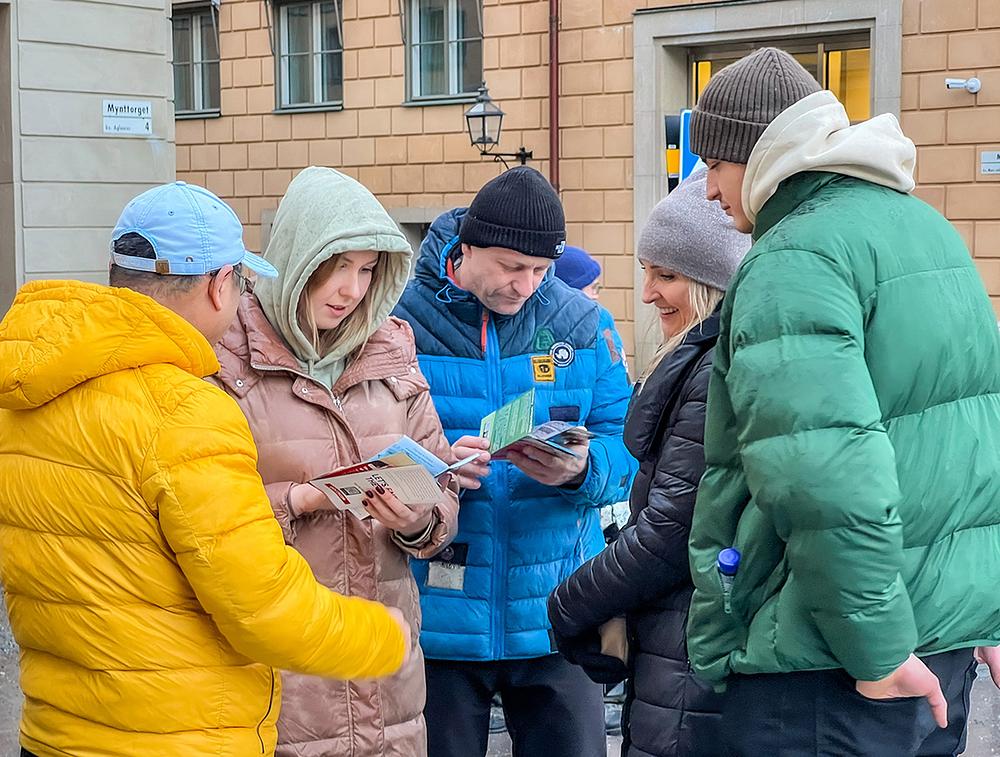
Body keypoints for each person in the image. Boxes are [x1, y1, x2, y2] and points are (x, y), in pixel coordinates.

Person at [0, 182, 409, 757]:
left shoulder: (30, 394)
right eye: (241, 282)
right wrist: (382, 636)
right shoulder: (183, 412)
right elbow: (263, 610)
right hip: (176, 735)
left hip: (56, 731)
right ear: (221, 286)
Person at [686, 47, 1000, 756]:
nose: (707, 189)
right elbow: (975, 446)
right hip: (932, 646)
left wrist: (877, 649)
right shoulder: (928, 231)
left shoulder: (796, 254)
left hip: (835, 668)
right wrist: (982, 616)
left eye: (713, 163)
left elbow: (821, 479)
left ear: (758, 151)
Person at [211, 166, 460, 757]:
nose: (352, 289)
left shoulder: (393, 350)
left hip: (388, 674)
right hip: (284, 672)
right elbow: (199, 518)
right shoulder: (224, 361)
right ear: (298, 257)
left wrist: (417, 521)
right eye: (337, 266)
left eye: (368, 269)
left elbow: (440, 484)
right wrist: (298, 500)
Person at [393, 166, 637, 757]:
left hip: (557, 617)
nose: (525, 284)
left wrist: (584, 472)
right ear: (465, 248)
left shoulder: (583, 323)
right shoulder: (399, 321)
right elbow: (362, 448)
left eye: (539, 270)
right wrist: (436, 470)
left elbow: (628, 446)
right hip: (438, 620)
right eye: (508, 266)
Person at [548, 169, 750, 756]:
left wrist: (571, 603)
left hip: (691, 640)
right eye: (646, 273)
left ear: (712, 283)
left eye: (666, 276)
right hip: (679, 636)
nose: (646, 293)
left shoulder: (712, 370)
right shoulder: (699, 358)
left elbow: (672, 529)